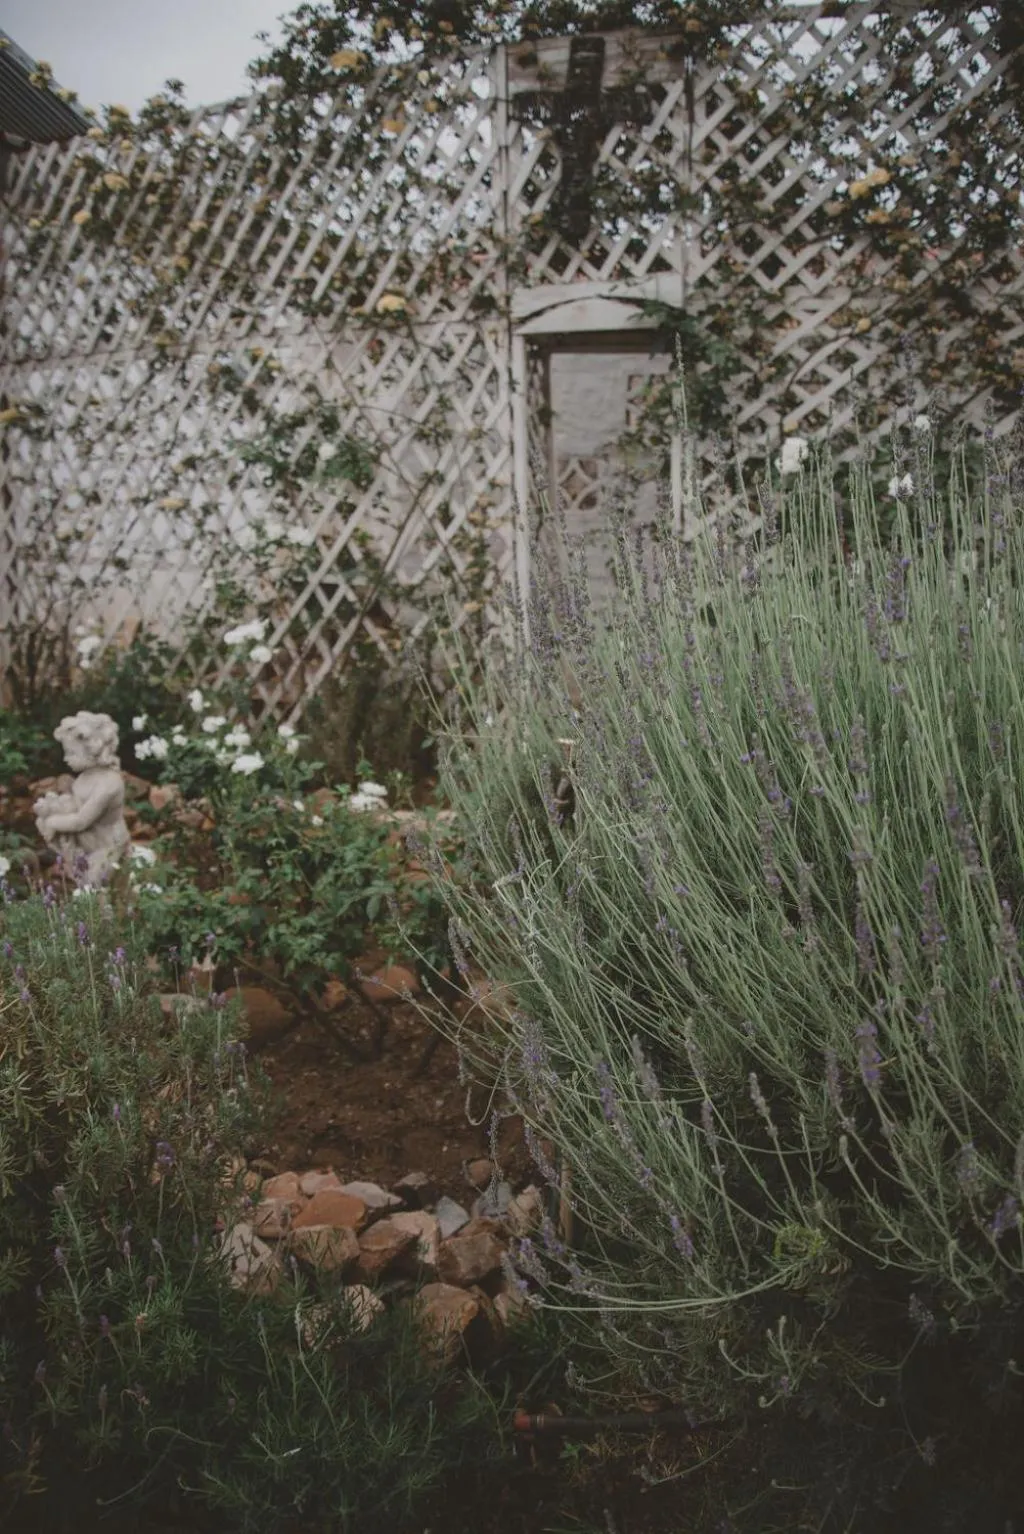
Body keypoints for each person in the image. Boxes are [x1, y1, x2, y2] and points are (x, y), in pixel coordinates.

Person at [34, 712, 130, 885]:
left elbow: (81, 820)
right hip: (89, 845)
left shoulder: (109, 783)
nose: (65, 758)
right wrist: (53, 808)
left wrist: (53, 822)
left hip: (108, 846)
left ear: (93, 749)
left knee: (93, 883)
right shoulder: (83, 779)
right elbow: (75, 805)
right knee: (84, 883)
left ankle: (103, 912)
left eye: (71, 753)